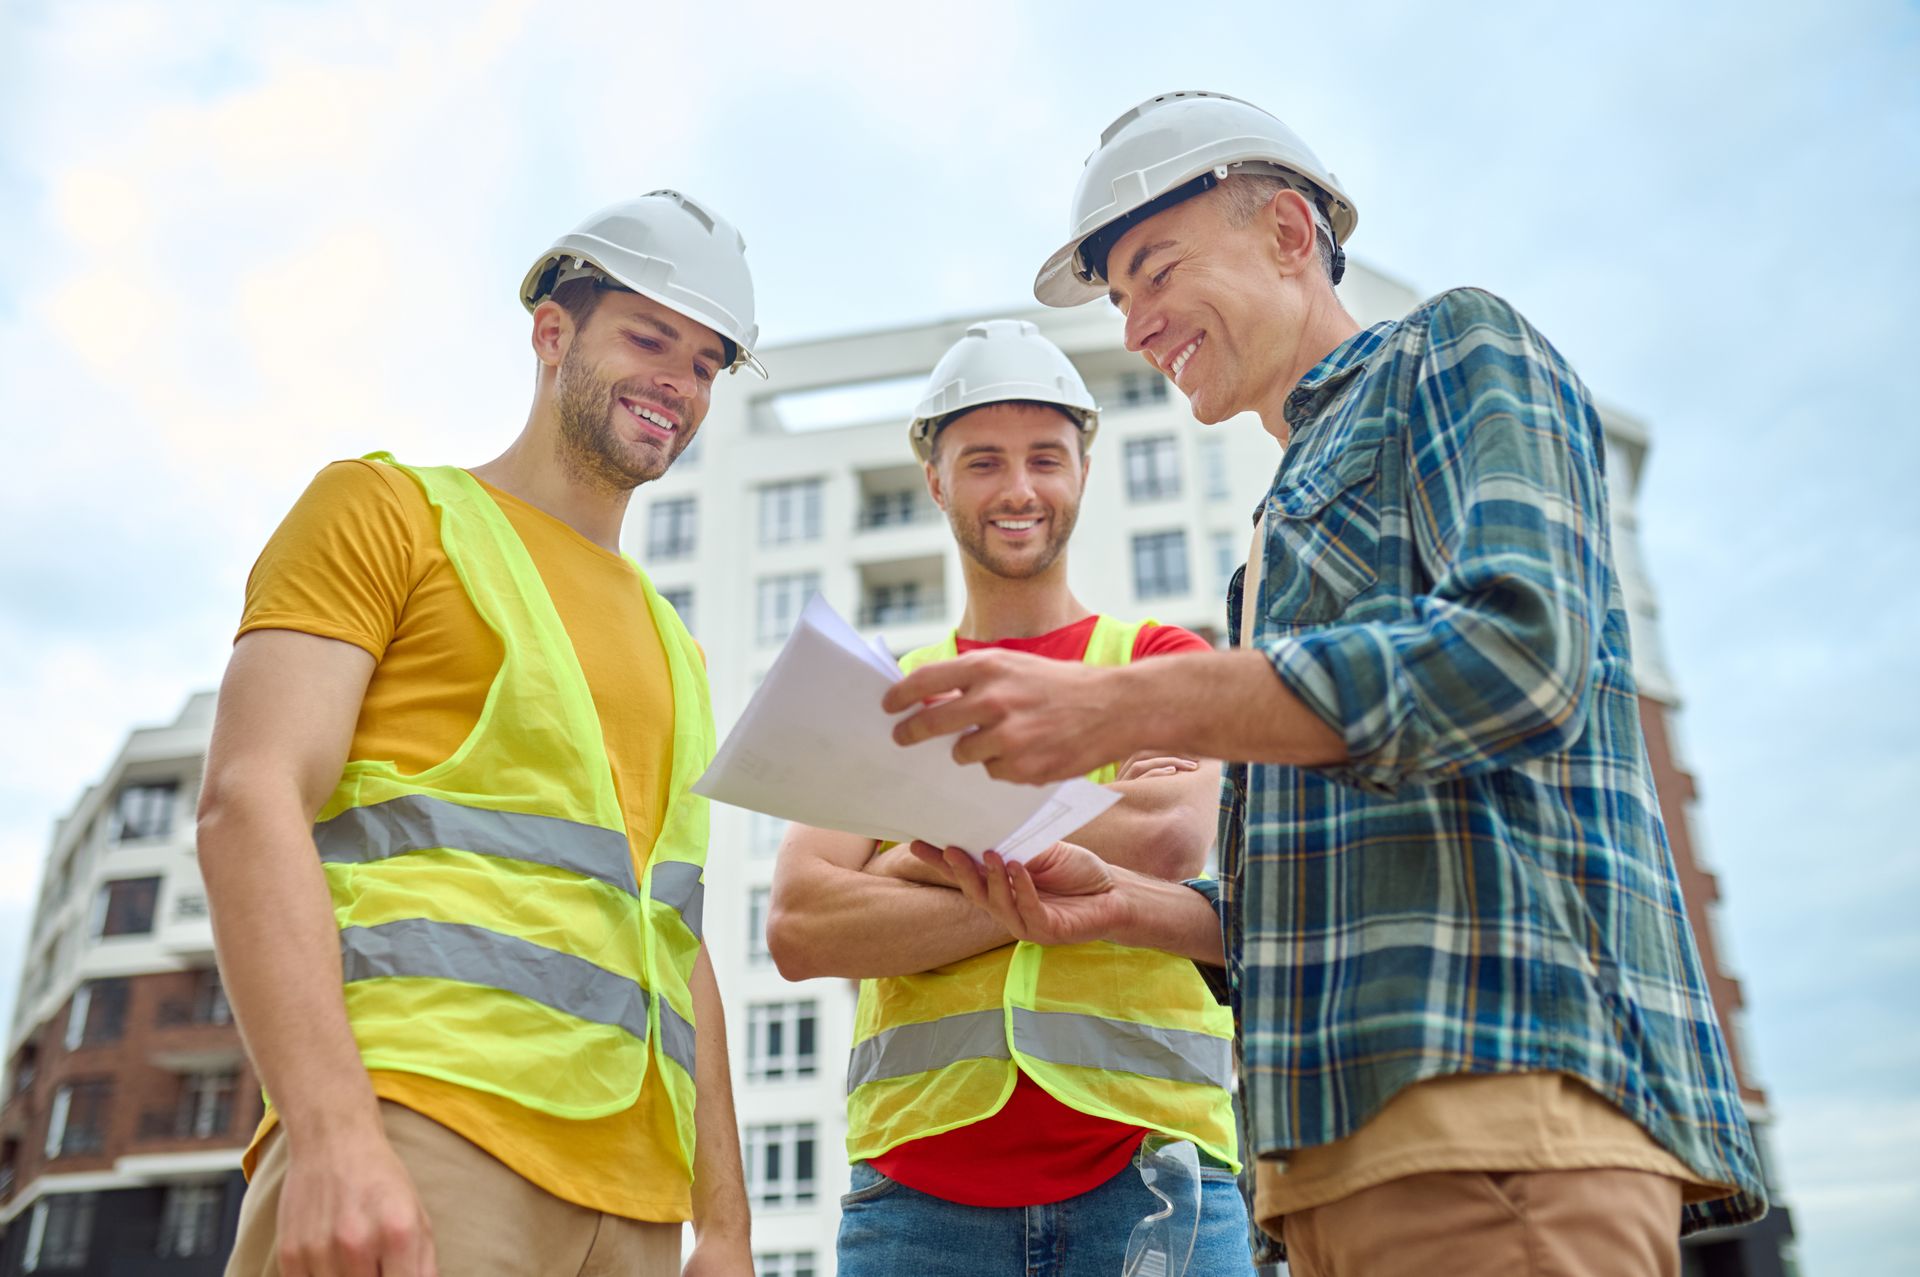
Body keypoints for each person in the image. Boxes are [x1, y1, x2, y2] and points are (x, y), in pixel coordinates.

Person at [888, 92, 1768, 1277]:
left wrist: (1122, 707)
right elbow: (1322, 903)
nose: (1139, 324)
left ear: (1291, 233)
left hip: (1493, 1121)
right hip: (1328, 1175)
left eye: (1156, 271)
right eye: (1121, 298)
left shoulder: (1456, 349)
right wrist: (1129, 906)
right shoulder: (1272, 537)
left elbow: (1519, 657)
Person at [199, 193, 764, 1277]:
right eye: (649, 338)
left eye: (705, 364)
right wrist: (328, 1129)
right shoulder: (390, 512)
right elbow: (248, 799)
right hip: (424, 1127)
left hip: (636, 1198)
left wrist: (725, 1228)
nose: (678, 385)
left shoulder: (677, 646)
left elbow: (674, 942)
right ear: (553, 334)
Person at [766, 319, 1255, 1276]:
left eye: (1046, 457)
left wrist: (913, 851)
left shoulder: (1159, 662)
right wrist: (1075, 847)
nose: (1020, 488)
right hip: (918, 1198)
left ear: (1082, 469)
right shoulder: (882, 690)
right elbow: (801, 924)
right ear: (937, 481)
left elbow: (1164, 842)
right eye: (983, 460)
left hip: (1159, 1178)